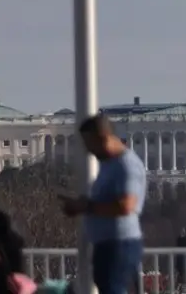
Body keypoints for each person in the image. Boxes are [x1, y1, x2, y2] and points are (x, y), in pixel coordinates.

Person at [59, 114, 147, 294]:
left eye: (89, 144)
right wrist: (80, 205)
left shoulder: (126, 165)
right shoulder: (110, 164)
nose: (89, 150)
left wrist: (86, 207)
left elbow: (126, 205)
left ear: (103, 138)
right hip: (108, 244)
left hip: (119, 245)